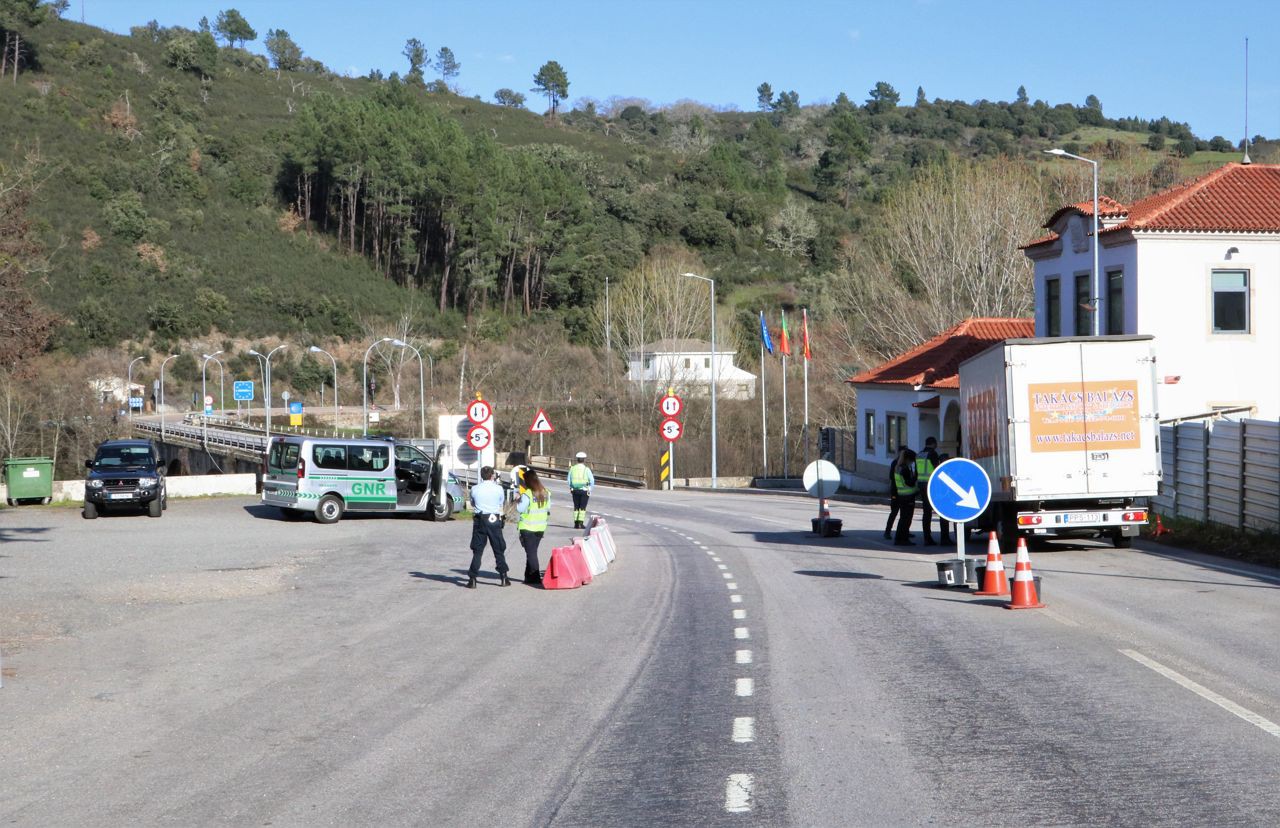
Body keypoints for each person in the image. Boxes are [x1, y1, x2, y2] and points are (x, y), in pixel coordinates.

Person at [465, 465, 509, 589]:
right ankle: (504, 577)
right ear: (492, 475)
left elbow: (473, 503)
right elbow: (501, 502)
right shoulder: (498, 488)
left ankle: (472, 578)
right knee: (498, 549)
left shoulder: (474, 488)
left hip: (480, 519)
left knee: (477, 551)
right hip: (494, 519)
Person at [516, 468, 551, 584]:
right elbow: (548, 508)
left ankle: (535, 576)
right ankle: (529, 577)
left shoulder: (528, 494)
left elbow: (520, 509)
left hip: (528, 527)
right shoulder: (546, 492)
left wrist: (517, 500)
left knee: (531, 554)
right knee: (531, 552)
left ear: (528, 481)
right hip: (540, 528)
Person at [916, 437, 942, 546]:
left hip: (921, 484)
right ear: (933, 444)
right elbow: (938, 468)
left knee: (926, 512)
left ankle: (927, 536)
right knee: (938, 509)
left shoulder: (919, 454)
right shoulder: (933, 454)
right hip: (931, 484)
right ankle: (930, 538)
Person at [893, 449, 918, 546]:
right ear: (908, 459)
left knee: (902, 519)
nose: (912, 462)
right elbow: (910, 483)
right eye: (912, 460)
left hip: (901, 495)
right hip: (908, 496)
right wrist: (915, 476)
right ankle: (903, 539)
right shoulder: (905, 469)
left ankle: (899, 538)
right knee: (907, 519)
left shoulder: (897, 467)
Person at [883, 447, 907, 540]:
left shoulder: (906, 464)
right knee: (894, 512)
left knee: (905, 513)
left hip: (904, 492)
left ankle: (905, 531)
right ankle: (887, 531)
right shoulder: (895, 463)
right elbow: (891, 477)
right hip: (896, 492)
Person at [568, 451, 595, 529]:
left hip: (575, 490)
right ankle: (580, 523)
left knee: (576, 507)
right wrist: (590, 489)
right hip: (584, 490)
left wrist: (571, 487)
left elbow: (569, 480)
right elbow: (592, 480)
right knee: (582, 507)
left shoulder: (572, 468)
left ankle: (576, 523)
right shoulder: (586, 469)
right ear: (584, 460)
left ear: (577, 459)